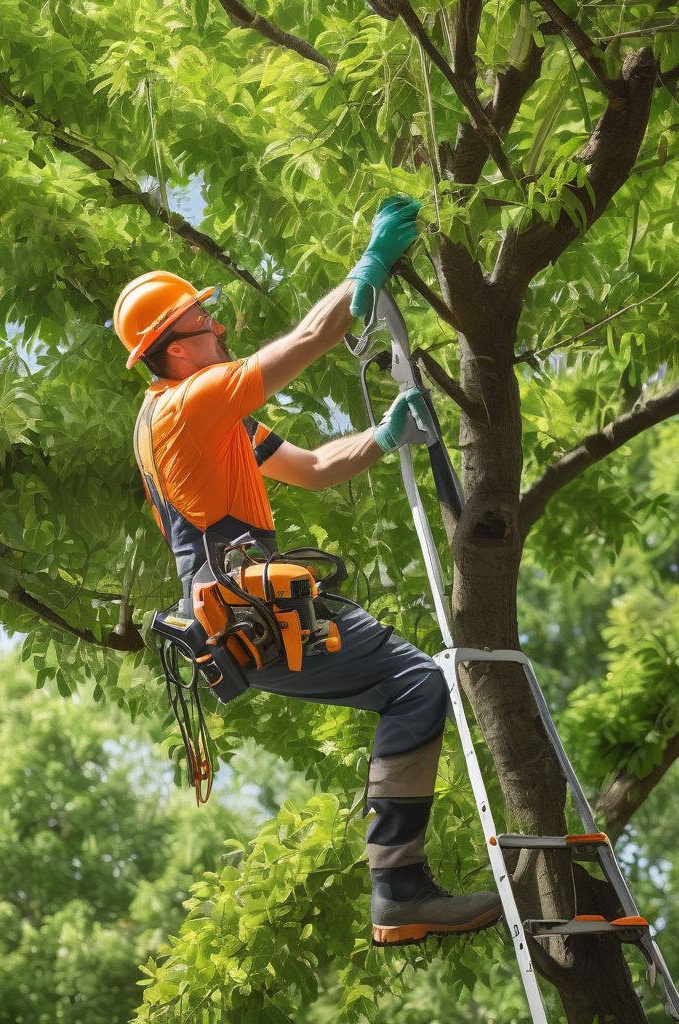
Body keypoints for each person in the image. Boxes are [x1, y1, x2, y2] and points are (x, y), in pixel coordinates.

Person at [112, 196, 502, 947]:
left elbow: (317, 468)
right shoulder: (186, 407)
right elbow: (315, 335)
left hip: (246, 612)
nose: (219, 327)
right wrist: (370, 263)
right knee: (417, 683)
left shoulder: (210, 420)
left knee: (412, 683)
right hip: (246, 609)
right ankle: (400, 888)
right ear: (177, 349)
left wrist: (384, 438)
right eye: (205, 323)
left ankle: (401, 887)